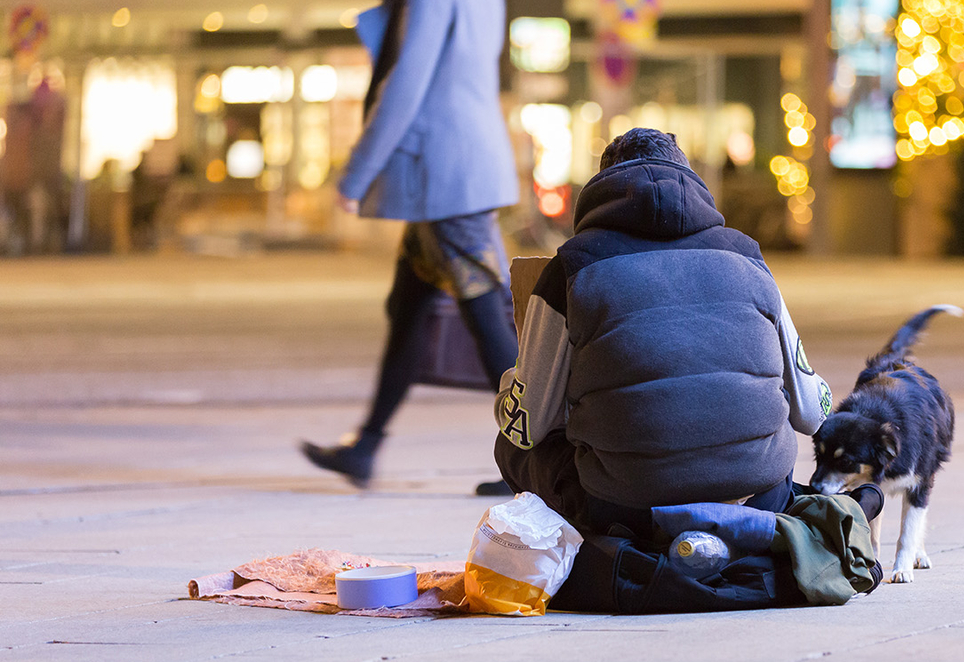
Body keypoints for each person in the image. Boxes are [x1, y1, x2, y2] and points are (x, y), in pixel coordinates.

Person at [493, 128, 838, 539]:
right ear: (690, 179)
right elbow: (813, 414)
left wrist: (508, 388)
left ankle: (602, 552)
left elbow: (526, 425)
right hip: (761, 499)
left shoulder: (571, 268)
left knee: (510, 447)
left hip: (627, 511)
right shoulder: (747, 256)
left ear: (602, 188)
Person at [301, 0, 519, 491]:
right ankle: (367, 445)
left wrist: (356, 174)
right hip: (449, 172)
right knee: (410, 309)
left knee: (487, 316)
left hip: (444, 177)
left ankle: (539, 459)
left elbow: (406, 84)